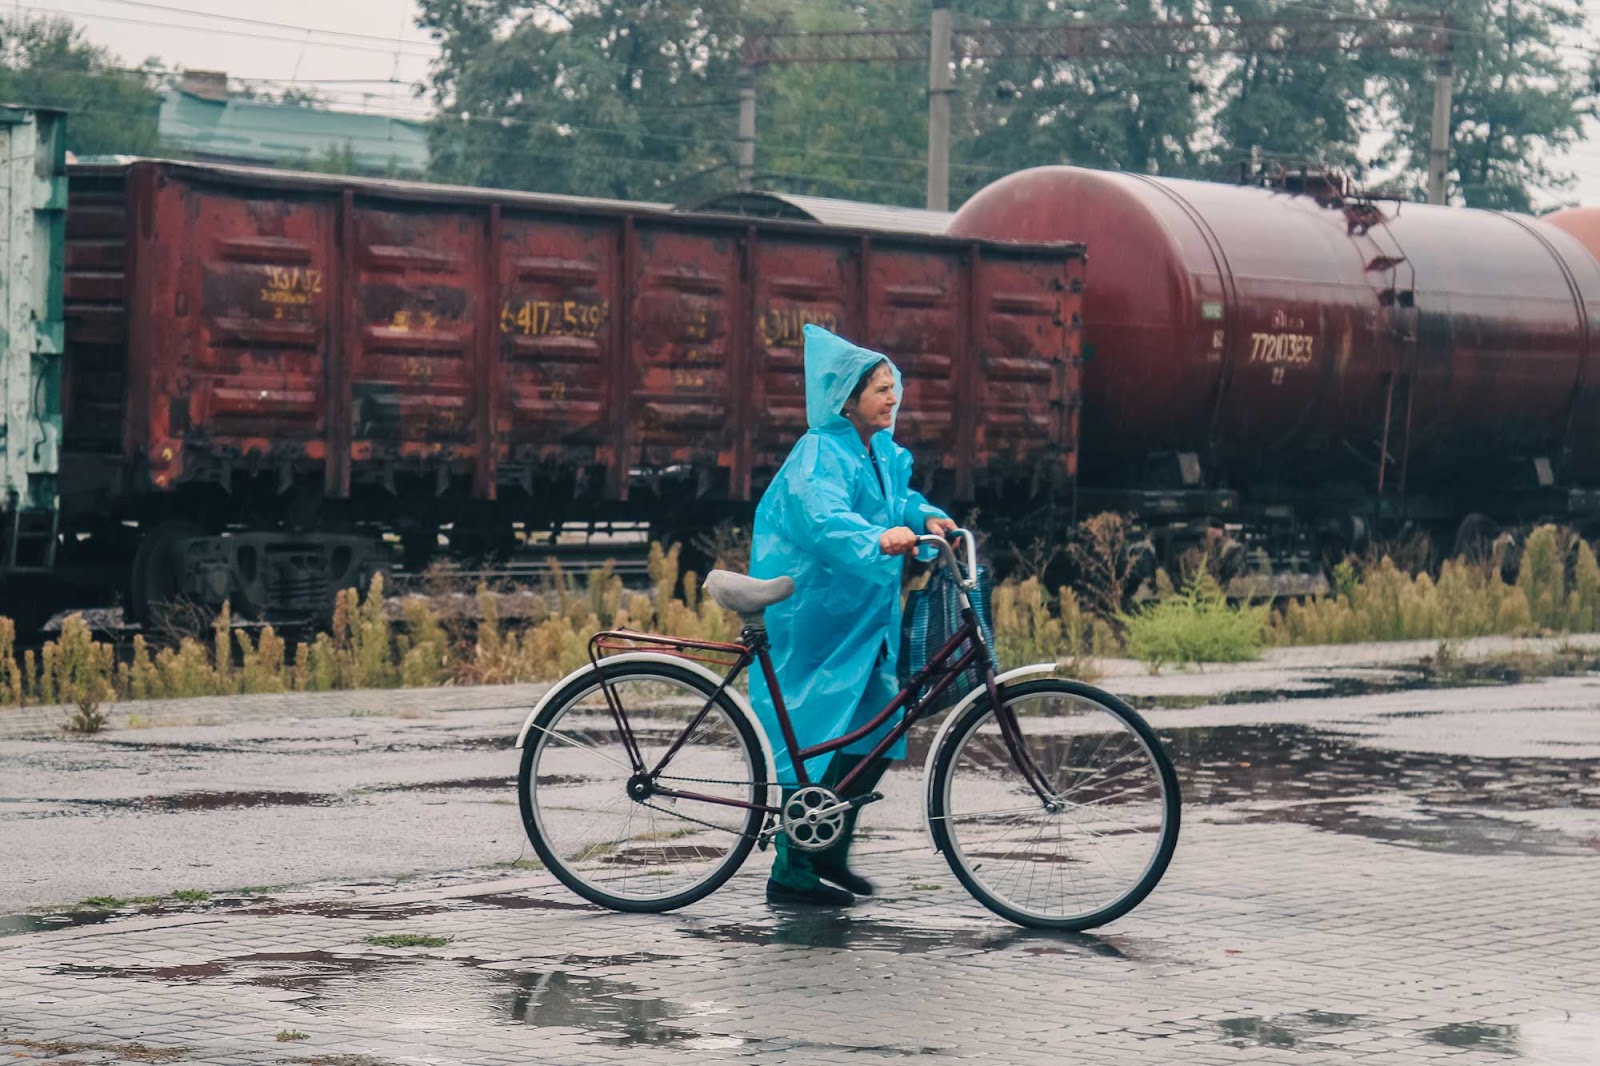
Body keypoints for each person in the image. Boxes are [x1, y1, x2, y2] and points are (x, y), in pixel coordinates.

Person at [749, 324, 956, 907]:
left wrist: (927, 518)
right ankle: (792, 871)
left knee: (878, 729)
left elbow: (898, 502)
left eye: (894, 388)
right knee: (816, 735)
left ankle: (828, 851)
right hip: (817, 614)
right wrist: (878, 540)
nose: (893, 398)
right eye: (881, 389)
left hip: (861, 618)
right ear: (847, 398)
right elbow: (824, 520)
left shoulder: (881, 452)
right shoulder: (819, 452)